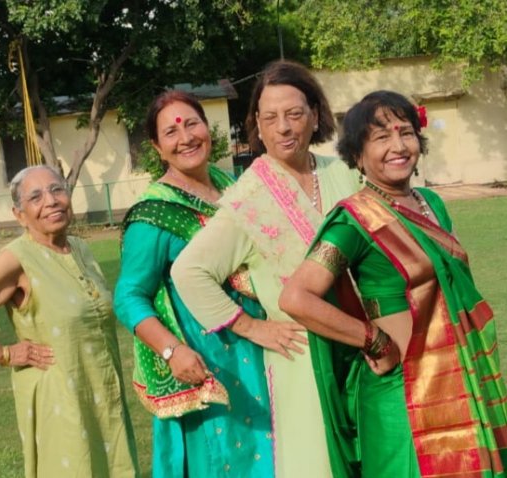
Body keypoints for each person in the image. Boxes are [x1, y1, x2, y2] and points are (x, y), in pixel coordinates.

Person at [279, 90, 507, 477]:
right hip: (400, 396)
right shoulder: (353, 221)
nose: (398, 147)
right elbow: (296, 297)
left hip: (457, 379)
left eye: (406, 133)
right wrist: (373, 340)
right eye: (381, 137)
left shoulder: (432, 204)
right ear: (357, 154)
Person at [170, 60, 359, 478]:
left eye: (294, 114)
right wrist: (251, 327)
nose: (284, 128)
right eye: (270, 118)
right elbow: (189, 272)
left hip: (364, 346)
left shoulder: (345, 173)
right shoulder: (249, 198)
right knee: (319, 465)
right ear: (257, 124)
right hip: (302, 357)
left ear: (315, 115)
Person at [114, 90, 287, 478]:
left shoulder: (232, 186)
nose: (186, 138)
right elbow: (128, 297)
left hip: (261, 345)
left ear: (208, 129)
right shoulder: (154, 213)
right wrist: (172, 351)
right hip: (208, 361)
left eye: (192, 124)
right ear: (157, 148)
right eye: (171, 132)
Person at [0, 165, 138, 478]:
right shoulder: (18, 259)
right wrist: (2, 353)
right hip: (61, 400)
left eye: (57, 190)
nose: (51, 201)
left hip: (101, 390)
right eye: (36, 197)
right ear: (19, 215)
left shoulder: (79, 248)